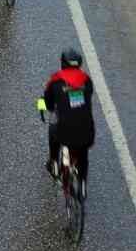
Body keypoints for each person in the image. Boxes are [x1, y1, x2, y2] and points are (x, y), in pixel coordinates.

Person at [38, 48, 96, 194]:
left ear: (63, 63)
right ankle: (82, 184)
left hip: (64, 132)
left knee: (53, 129)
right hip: (87, 132)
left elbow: (48, 104)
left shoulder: (55, 80)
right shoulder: (87, 80)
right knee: (83, 153)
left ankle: (54, 162)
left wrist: (41, 105)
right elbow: (85, 97)